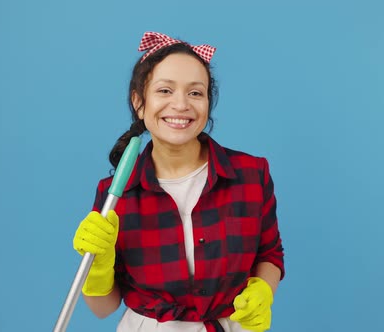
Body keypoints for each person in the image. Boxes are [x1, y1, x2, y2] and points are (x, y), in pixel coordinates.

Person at [73, 31, 285, 332]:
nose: (181, 104)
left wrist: (264, 291)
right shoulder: (114, 196)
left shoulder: (251, 174)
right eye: (164, 91)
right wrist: (97, 267)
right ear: (139, 102)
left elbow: (269, 253)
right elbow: (103, 308)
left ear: (208, 103)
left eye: (195, 93)